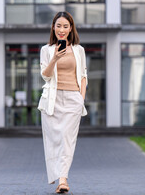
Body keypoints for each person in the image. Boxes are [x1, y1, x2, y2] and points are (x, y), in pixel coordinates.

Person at [38, 11, 88, 194]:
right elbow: (46, 75)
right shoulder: (46, 50)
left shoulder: (79, 50)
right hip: (52, 99)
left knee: (67, 139)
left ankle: (63, 180)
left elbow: (83, 76)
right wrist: (55, 58)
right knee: (53, 140)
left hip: (73, 99)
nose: (62, 30)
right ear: (53, 27)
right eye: (58, 25)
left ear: (71, 29)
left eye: (66, 26)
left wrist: (80, 99)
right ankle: (57, 176)